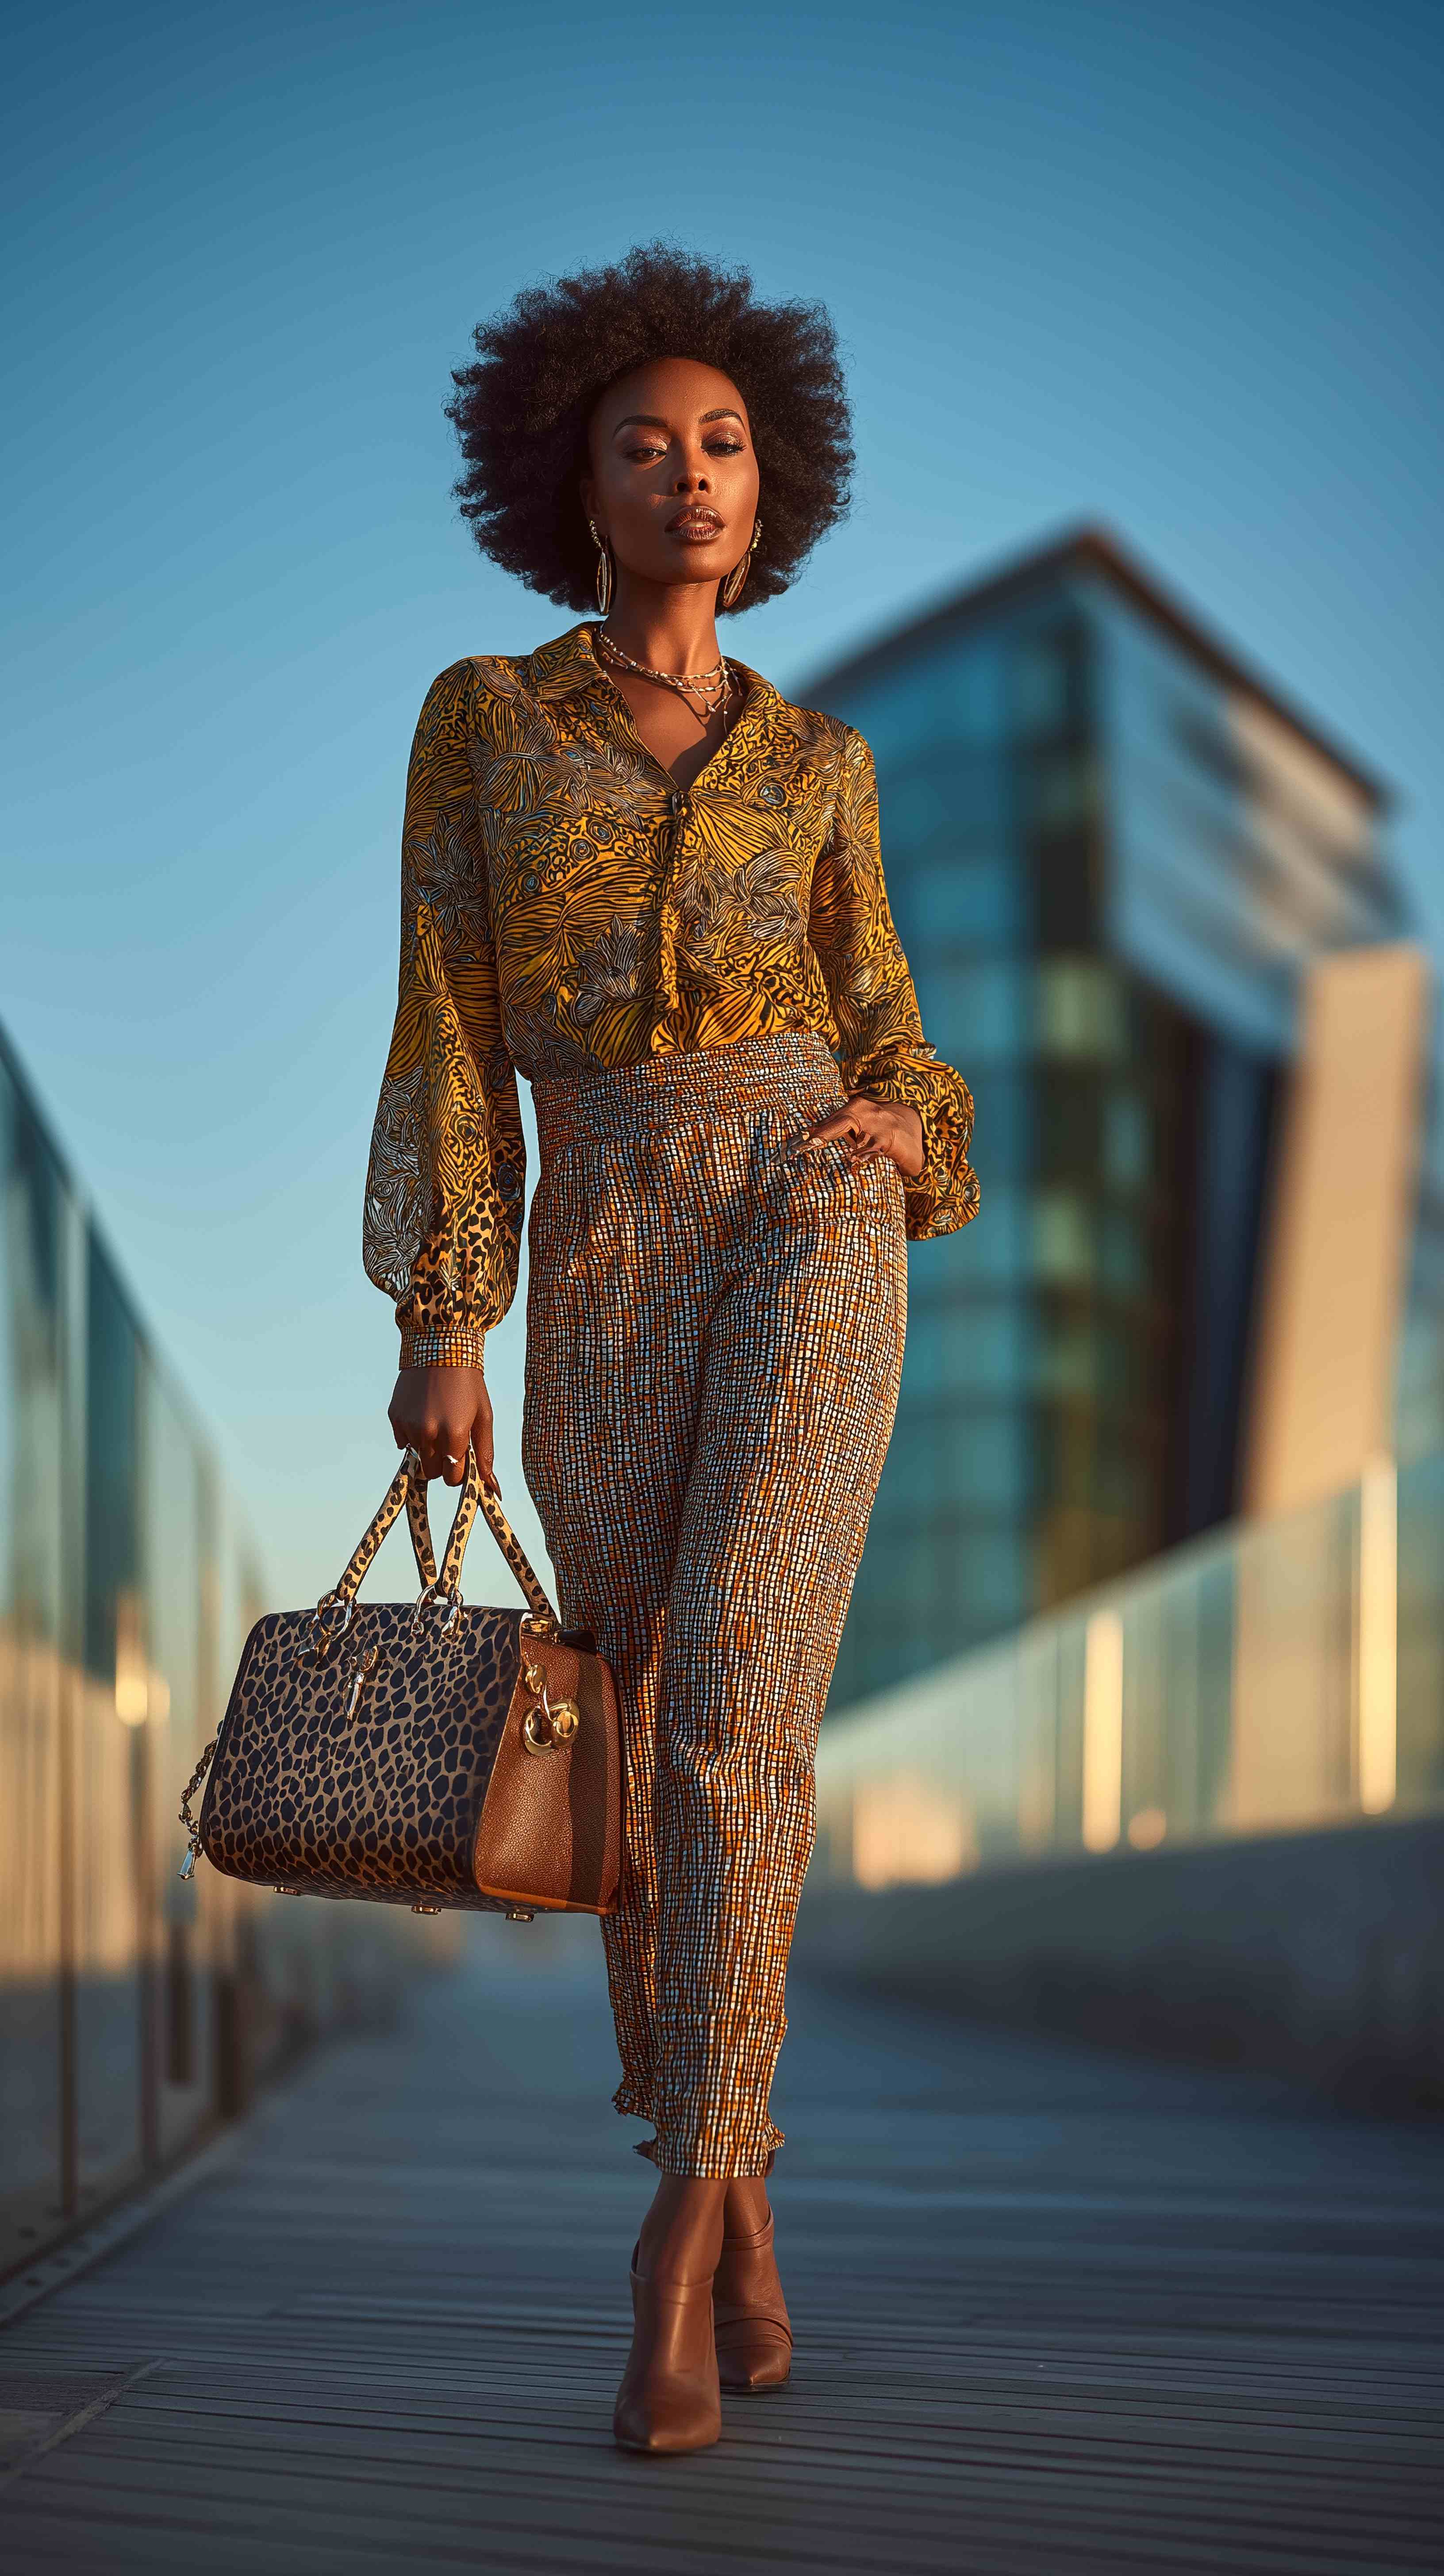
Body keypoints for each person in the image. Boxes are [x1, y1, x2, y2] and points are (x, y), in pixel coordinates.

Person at [364, 244, 978, 2453]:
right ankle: (726, 2183)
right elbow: (446, 1030)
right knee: (632, 1737)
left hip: (812, 1211)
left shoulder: (825, 760)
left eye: (725, 444)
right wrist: (451, 1310)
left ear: (768, 484)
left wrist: (902, 1121)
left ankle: (673, 2241)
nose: (692, 474)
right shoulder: (484, 722)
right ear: (581, 488)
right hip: (603, 1223)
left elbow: (893, 1012)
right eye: (648, 446)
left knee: (736, 1703)